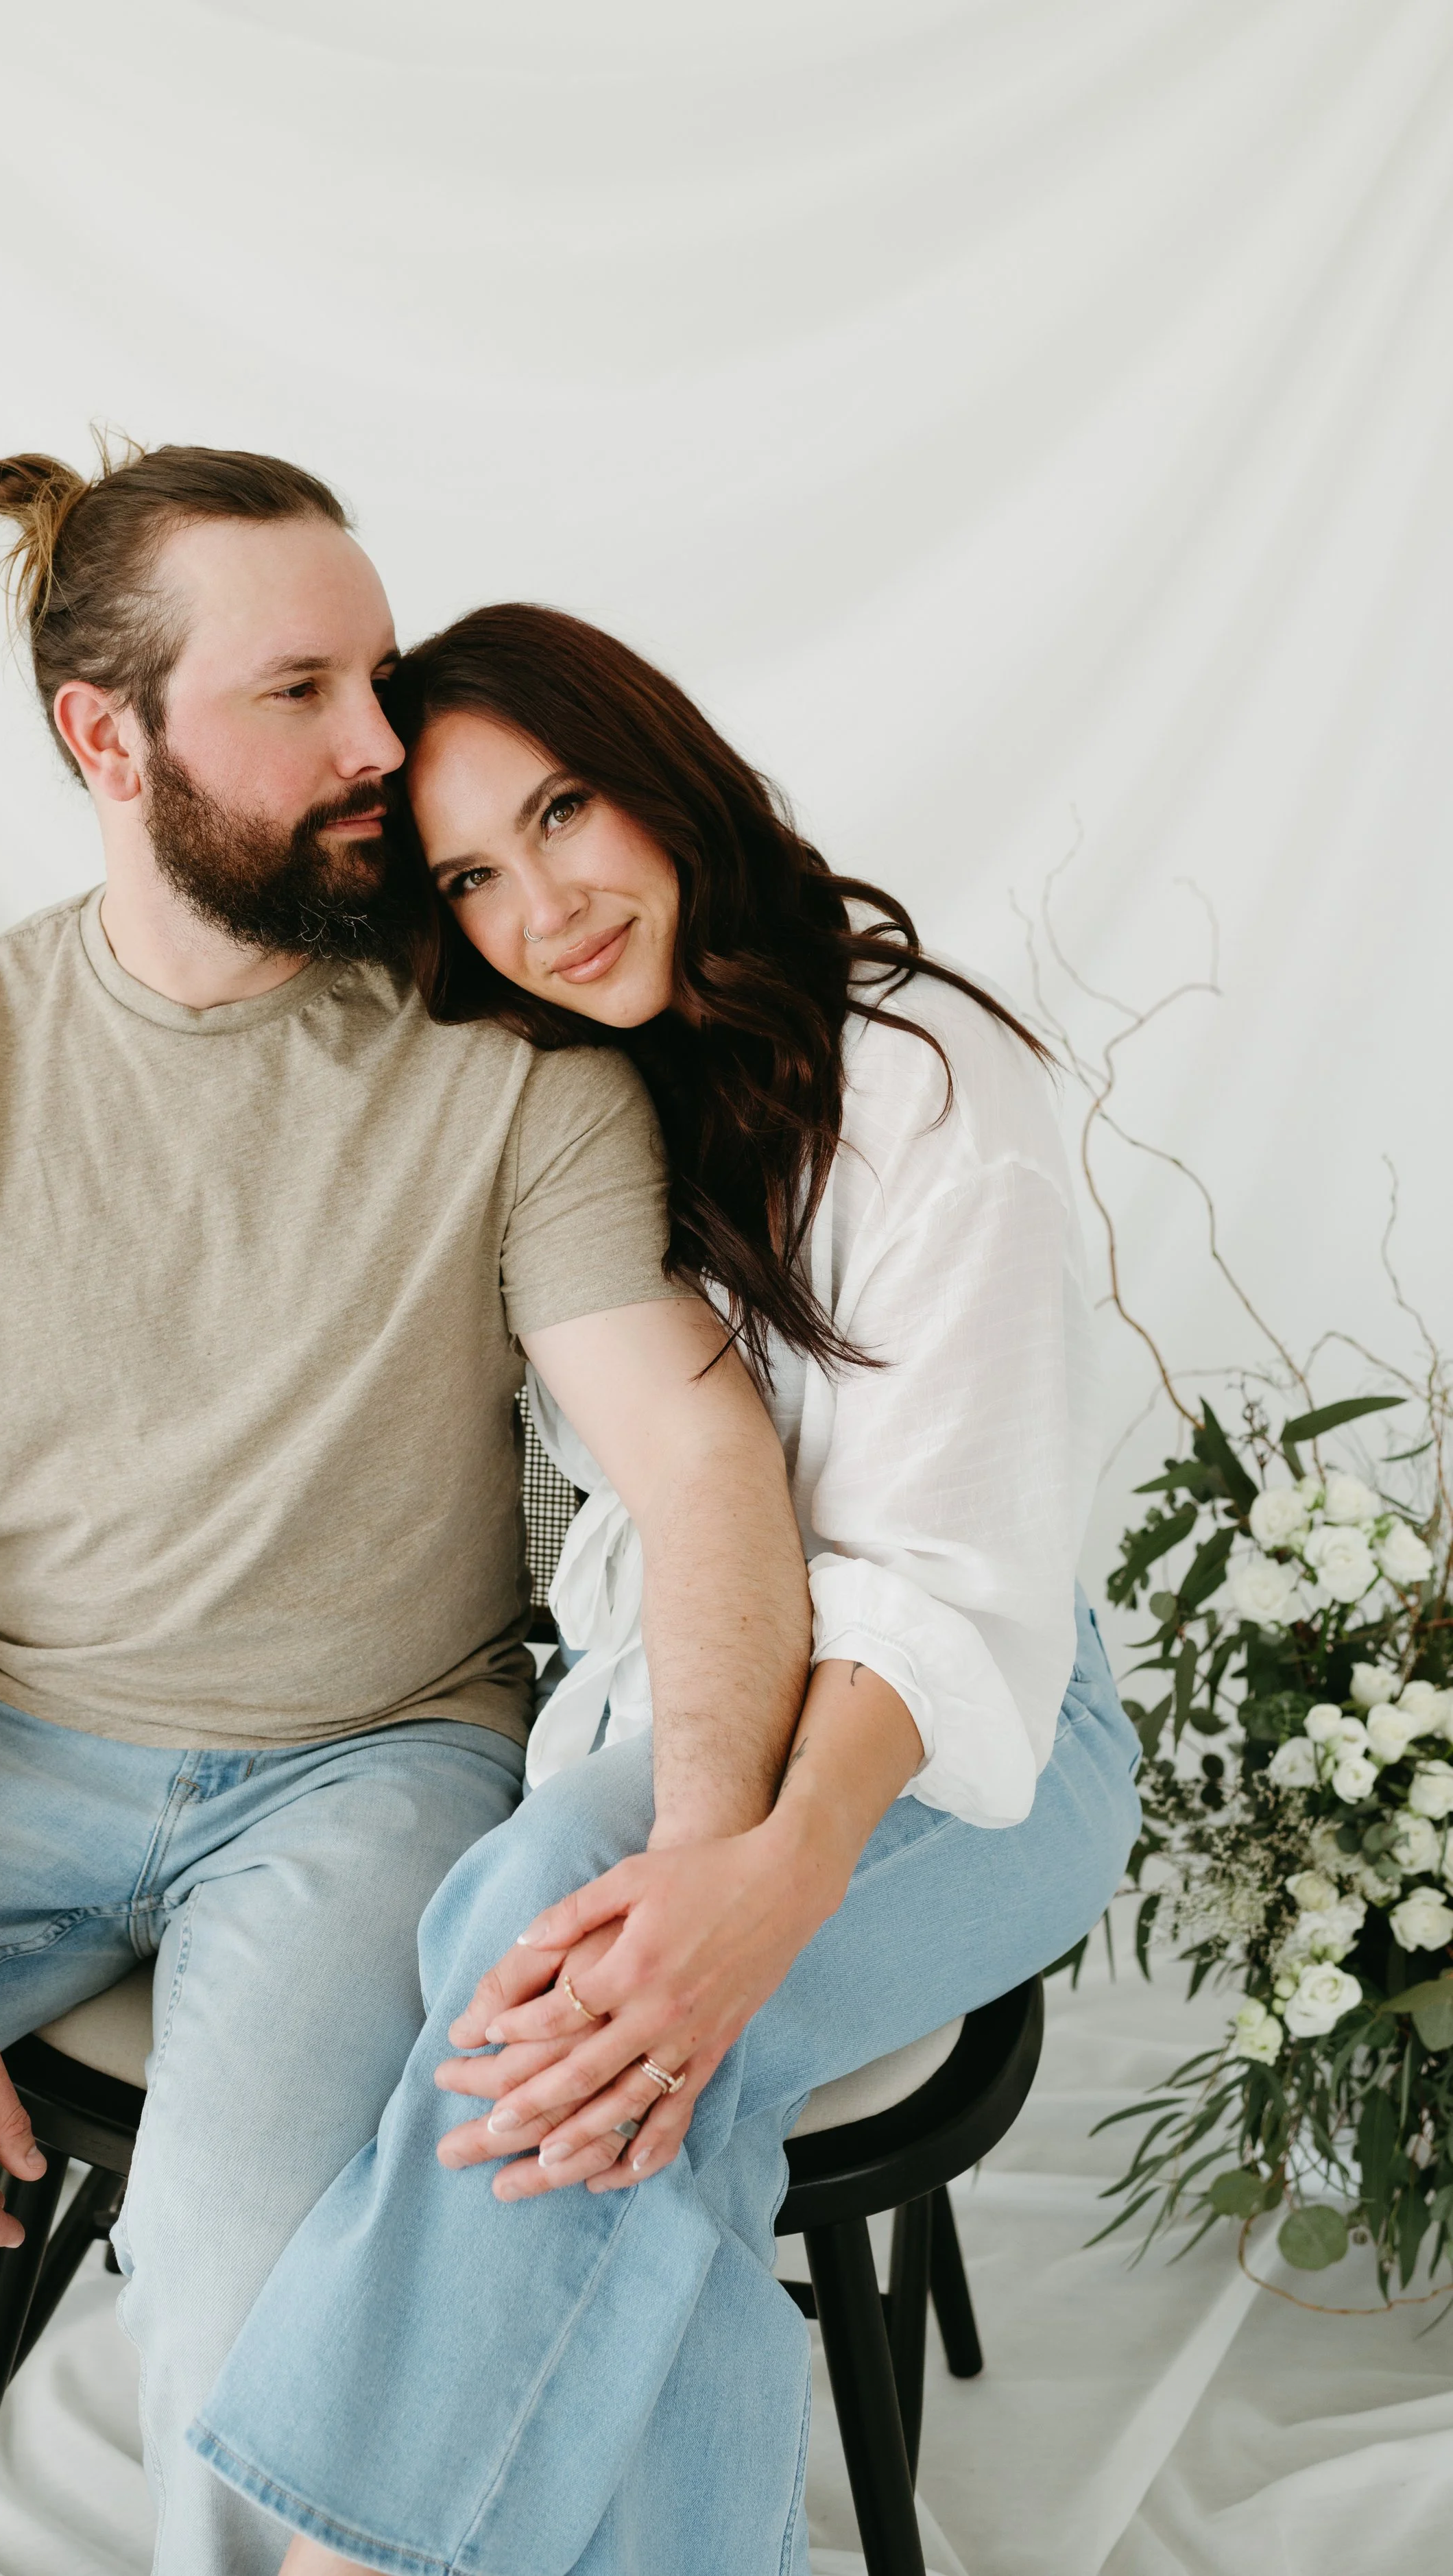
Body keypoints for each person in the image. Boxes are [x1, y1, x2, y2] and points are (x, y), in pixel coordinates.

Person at [0, 457, 815, 2576]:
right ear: (105, 739)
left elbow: (695, 1457)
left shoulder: (507, 1053)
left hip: (375, 1768)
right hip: (13, 1736)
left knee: (266, 2377)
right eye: (300, 690)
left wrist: (707, 1862)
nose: (378, 749)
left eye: (377, 677)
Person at [182, 607, 1144, 2576]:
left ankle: (341, 2559)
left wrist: (765, 1872)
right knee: (645, 2067)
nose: (542, 900)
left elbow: (946, 1587)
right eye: (470, 874)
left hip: (965, 1754)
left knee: (570, 1937)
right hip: (670, 1725)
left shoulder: (927, 1085)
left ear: (661, 767)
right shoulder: (575, 1102)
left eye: (562, 809)